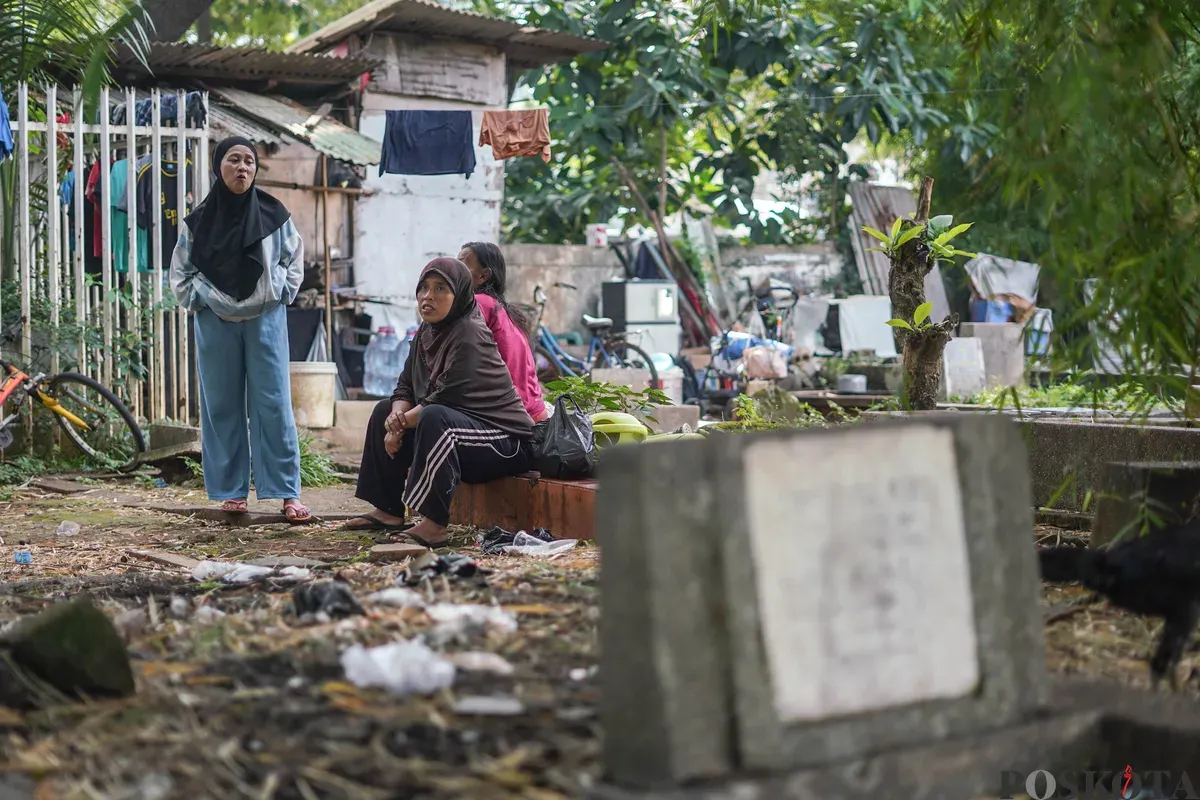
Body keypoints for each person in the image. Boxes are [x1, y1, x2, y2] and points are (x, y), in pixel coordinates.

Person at [169, 136, 311, 522]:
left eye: (249, 161)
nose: (242, 168)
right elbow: (179, 274)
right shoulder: (198, 222)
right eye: (234, 160)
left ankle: (286, 491)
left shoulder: (275, 214)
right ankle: (231, 491)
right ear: (219, 167)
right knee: (221, 404)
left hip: (265, 318)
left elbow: (295, 258)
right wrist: (202, 298)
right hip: (215, 322)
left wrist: (280, 290)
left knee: (274, 402)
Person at [347, 258, 535, 543]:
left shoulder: (470, 334)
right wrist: (394, 418)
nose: (428, 296)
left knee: (435, 417)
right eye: (423, 288)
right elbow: (405, 386)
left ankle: (434, 525)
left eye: (440, 289)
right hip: (464, 431)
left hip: (505, 441)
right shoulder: (427, 331)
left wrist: (397, 427)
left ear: (459, 293)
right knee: (383, 410)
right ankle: (387, 509)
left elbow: (446, 396)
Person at [457, 241, 549, 422]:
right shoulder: (503, 309)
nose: (454, 272)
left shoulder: (479, 304)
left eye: (463, 266)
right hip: (533, 410)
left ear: (484, 276)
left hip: (513, 414)